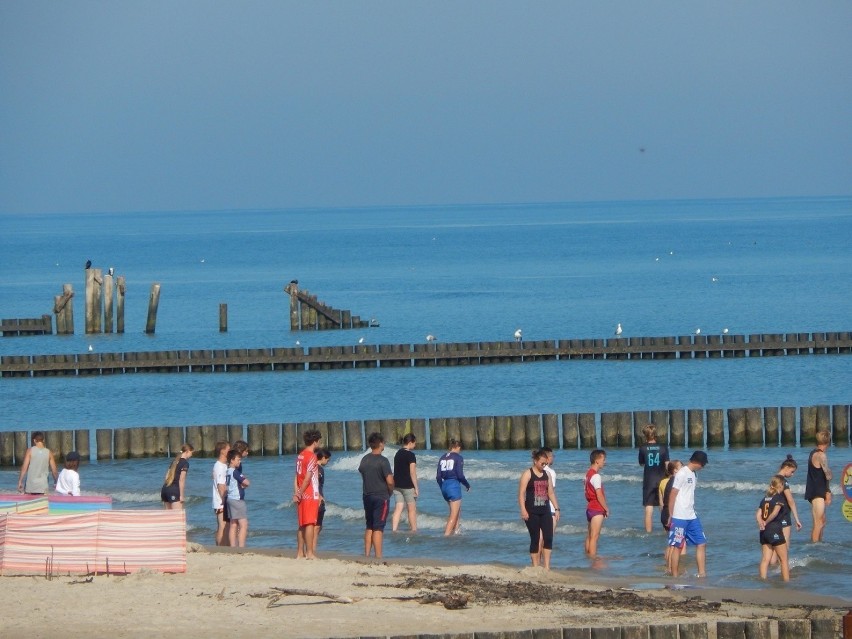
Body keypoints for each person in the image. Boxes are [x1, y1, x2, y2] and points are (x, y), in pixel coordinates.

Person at [667, 450, 708, 578]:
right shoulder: (682, 473)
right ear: (697, 462)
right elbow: (673, 493)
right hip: (679, 516)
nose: (703, 467)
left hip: (692, 515)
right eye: (703, 464)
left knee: (701, 543)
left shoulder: (694, 474)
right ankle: (674, 575)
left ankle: (702, 574)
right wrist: (670, 514)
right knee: (678, 546)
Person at [518, 449, 560, 569]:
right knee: (535, 538)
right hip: (531, 512)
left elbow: (550, 493)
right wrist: (523, 510)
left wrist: (557, 509)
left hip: (545, 510)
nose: (544, 465)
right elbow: (521, 494)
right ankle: (535, 566)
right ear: (535, 461)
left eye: (545, 463)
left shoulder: (547, 475)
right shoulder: (528, 474)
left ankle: (546, 567)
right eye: (542, 463)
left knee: (548, 537)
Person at [358, 432, 394, 559]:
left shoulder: (365, 459)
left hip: (367, 494)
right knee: (378, 527)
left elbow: (362, 472)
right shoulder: (383, 461)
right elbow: (390, 481)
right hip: (381, 496)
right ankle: (378, 556)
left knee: (369, 525)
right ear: (380, 444)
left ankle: (367, 554)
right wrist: (390, 491)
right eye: (383, 442)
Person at [294, 429, 322, 559]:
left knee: (302, 524)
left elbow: (296, 476)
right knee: (310, 523)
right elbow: (307, 478)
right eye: (319, 441)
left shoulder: (300, 455)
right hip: (310, 493)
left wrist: (297, 492)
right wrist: (300, 492)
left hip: (301, 492)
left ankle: (300, 552)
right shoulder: (311, 456)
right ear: (315, 441)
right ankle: (310, 552)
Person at [756, 475, 789, 581]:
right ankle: (787, 582)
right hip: (774, 529)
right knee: (783, 559)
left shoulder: (764, 499)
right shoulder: (779, 498)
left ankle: (762, 580)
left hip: (763, 532)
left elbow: (758, 514)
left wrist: (761, 522)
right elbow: (775, 513)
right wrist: (766, 522)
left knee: (765, 559)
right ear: (781, 485)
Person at [638, 424, 669, 533]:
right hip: (662, 479)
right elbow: (667, 465)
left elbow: (641, 463)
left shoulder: (642, 448)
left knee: (649, 508)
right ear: (655, 434)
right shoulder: (663, 447)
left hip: (649, 481)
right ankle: (666, 530)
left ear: (645, 435)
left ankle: (648, 532)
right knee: (663, 506)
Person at [436, 439, 470, 536]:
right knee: (453, 514)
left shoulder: (442, 457)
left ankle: (456, 532)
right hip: (453, 485)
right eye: (460, 449)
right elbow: (460, 475)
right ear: (458, 447)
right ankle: (446, 536)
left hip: (444, 486)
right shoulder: (458, 457)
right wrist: (467, 485)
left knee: (457, 510)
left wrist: (442, 487)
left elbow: (438, 477)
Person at [804, 430, 832, 543]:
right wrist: (828, 491)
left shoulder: (813, 453)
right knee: (818, 522)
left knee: (822, 521)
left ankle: (819, 543)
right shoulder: (821, 455)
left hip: (815, 490)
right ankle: (814, 546)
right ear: (828, 441)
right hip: (817, 492)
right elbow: (828, 475)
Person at [583, 449, 609, 558]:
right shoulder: (596, 476)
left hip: (589, 507)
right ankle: (593, 559)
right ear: (597, 461)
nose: (605, 462)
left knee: (589, 536)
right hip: (596, 508)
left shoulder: (587, 474)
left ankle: (587, 557)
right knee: (594, 536)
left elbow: (586, 491)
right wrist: (606, 508)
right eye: (603, 459)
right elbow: (599, 494)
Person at [391, 433, 419, 532]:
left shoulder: (398, 453)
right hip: (407, 486)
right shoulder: (411, 455)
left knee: (398, 507)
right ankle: (414, 530)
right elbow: (412, 473)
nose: (415, 445)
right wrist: (416, 487)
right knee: (411, 509)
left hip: (397, 485)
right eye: (414, 443)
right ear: (410, 442)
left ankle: (394, 529)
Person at [659, 459, 683, 574]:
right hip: (670, 513)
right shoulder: (675, 481)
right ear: (675, 470)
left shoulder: (669, 481)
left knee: (671, 543)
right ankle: (670, 568)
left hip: (665, 512)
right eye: (681, 467)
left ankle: (668, 567)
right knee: (674, 544)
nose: (683, 468)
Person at [225, 449, 250, 547]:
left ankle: (232, 546)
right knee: (243, 524)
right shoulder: (235, 472)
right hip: (237, 499)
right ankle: (241, 546)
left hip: (230, 498)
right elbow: (247, 482)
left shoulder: (227, 471)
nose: (240, 462)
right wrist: (244, 484)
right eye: (238, 460)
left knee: (233, 524)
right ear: (232, 460)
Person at [160, 443, 194, 509]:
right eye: (191, 453)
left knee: (169, 517)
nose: (191, 455)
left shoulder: (174, 461)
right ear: (187, 451)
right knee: (177, 517)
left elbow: (166, 477)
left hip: (165, 490)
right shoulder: (185, 463)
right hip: (174, 491)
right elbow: (182, 480)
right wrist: (181, 495)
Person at [539, 447, 556, 565]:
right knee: (548, 538)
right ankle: (546, 565)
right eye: (552, 456)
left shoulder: (535, 471)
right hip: (549, 509)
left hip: (537, 506)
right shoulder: (551, 472)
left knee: (538, 538)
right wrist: (557, 508)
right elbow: (551, 492)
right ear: (548, 458)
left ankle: (537, 563)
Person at [312, 448, 331, 556]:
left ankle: (312, 548)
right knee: (317, 526)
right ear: (323, 458)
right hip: (317, 500)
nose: (328, 462)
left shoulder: (315, 467)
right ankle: (312, 549)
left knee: (317, 526)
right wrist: (319, 496)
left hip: (316, 498)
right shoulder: (318, 469)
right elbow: (313, 483)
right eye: (327, 460)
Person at [211, 441, 230, 545]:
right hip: (220, 501)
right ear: (222, 451)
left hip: (221, 500)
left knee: (225, 525)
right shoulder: (219, 466)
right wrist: (224, 501)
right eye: (228, 449)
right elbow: (220, 486)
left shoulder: (223, 465)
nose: (229, 451)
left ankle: (223, 545)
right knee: (222, 525)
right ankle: (219, 547)